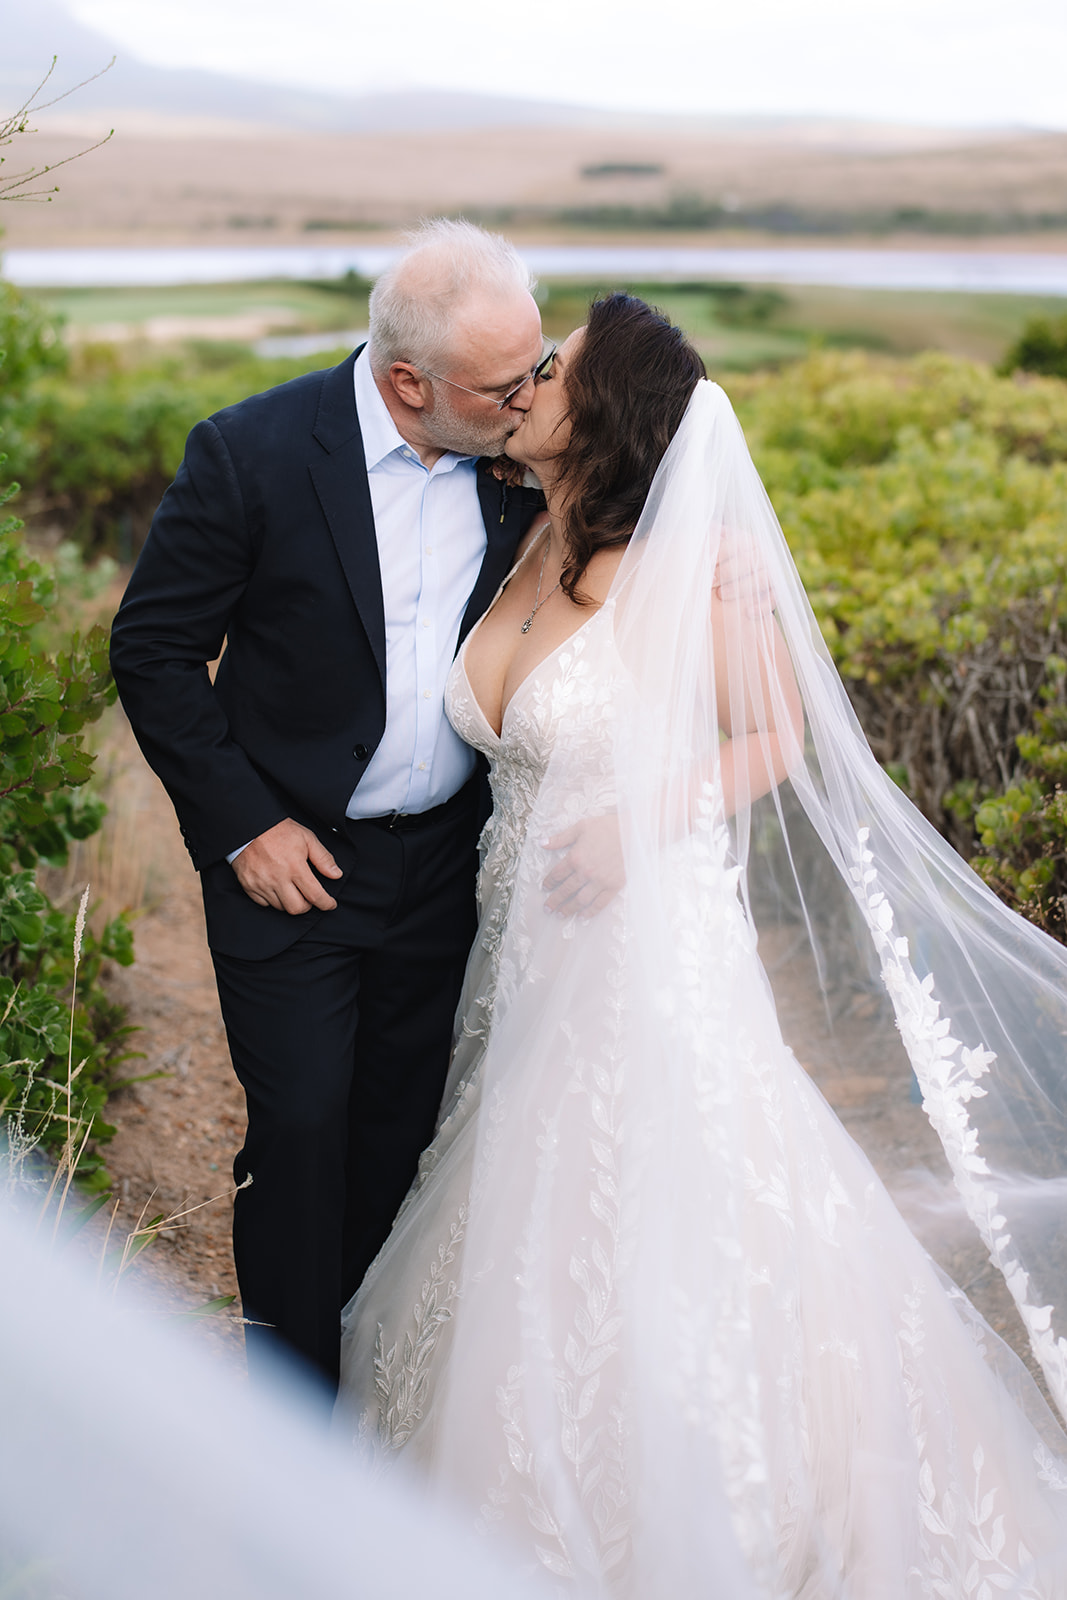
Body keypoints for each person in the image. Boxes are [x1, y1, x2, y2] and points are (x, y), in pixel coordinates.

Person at [337, 294, 1067, 1595]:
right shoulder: (520, 538)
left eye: (552, 367)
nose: (530, 378)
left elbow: (770, 735)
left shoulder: (683, 568)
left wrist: (643, 816)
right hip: (517, 948)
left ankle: (733, 1498)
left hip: (645, 942)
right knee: (526, 1211)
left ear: (599, 408)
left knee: (672, 1201)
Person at [109, 220, 551, 1391]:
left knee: (397, 1138)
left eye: (538, 366)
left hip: (445, 866)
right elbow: (153, 650)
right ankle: (292, 1428)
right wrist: (246, 825)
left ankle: (373, 1394)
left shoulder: (519, 463)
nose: (532, 399)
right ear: (411, 382)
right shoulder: (249, 453)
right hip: (291, 867)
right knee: (301, 1132)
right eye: (508, 384)